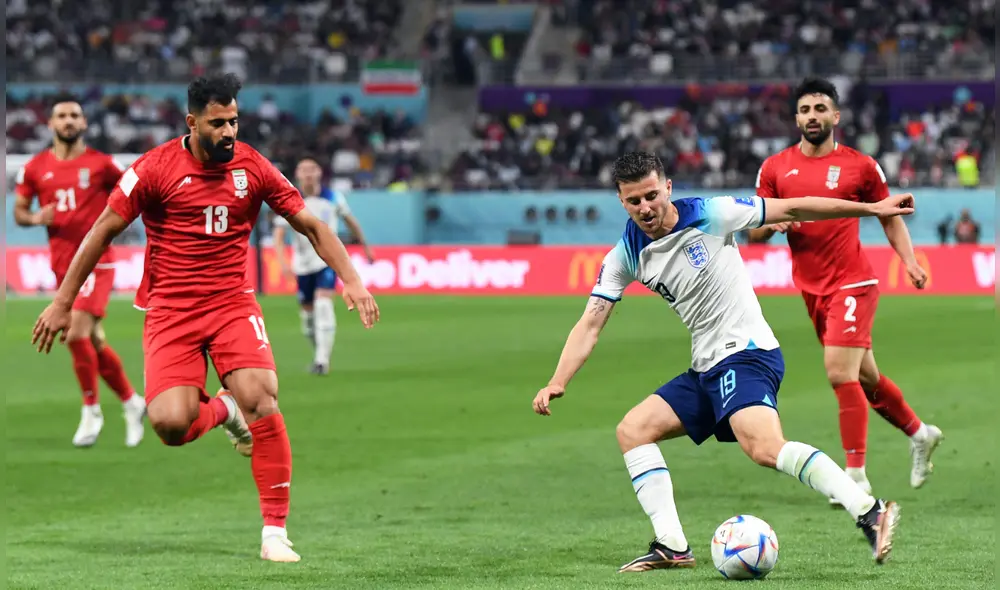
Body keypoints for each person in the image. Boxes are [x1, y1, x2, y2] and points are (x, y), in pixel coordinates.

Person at [31, 74, 380, 563]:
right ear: (192, 122)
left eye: (234, 121)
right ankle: (224, 412)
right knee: (171, 425)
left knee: (262, 396)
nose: (229, 131)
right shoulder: (153, 169)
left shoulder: (252, 166)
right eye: (218, 123)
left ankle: (275, 532)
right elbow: (102, 230)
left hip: (232, 303)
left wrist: (352, 280)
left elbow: (311, 225)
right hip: (170, 310)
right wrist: (63, 301)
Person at [532, 152, 907, 573]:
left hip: (747, 354)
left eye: (652, 195)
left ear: (668, 188)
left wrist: (872, 209)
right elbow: (590, 324)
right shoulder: (625, 256)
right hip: (707, 367)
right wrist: (558, 380)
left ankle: (869, 511)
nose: (645, 208)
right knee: (633, 431)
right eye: (634, 201)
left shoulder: (712, 213)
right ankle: (672, 546)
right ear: (622, 202)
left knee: (764, 447)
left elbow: (793, 207)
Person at [749, 78, 942, 505]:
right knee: (866, 378)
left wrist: (909, 261)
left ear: (836, 116)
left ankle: (855, 477)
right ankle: (920, 433)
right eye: (805, 110)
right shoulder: (775, 168)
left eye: (820, 108)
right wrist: (770, 224)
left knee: (839, 372)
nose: (812, 116)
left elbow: (889, 215)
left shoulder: (860, 166)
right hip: (812, 289)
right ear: (796, 118)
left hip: (854, 282)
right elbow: (755, 230)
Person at [14, 92, 146, 448]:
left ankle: (91, 410)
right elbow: (20, 211)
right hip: (61, 264)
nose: (69, 121)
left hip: (97, 262)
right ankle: (132, 401)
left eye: (74, 115)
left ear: (84, 123)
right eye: (62, 116)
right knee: (94, 341)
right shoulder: (35, 168)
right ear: (50, 124)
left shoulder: (102, 165)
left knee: (74, 334)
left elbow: (132, 195)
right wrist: (35, 218)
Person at [272, 157, 375, 375]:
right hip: (302, 265)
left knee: (323, 306)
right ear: (297, 175)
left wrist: (365, 247)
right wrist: (283, 262)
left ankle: (322, 361)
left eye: (312, 169)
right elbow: (279, 234)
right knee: (308, 322)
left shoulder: (333, 197)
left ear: (319, 172)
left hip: (327, 261)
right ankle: (319, 354)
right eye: (303, 170)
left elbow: (351, 222)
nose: (308, 174)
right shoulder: (290, 198)